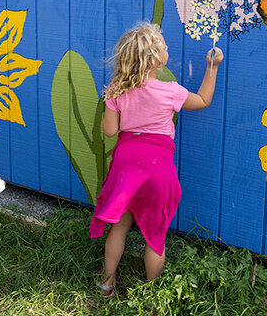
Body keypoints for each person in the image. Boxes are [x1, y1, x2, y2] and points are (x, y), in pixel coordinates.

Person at [90, 22, 223, 296]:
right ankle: (152, 298)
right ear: (154, 60)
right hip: (157, 168)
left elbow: (110, 131)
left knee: (119, 226)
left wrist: (112, 100)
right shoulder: (170, 91)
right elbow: (203, 100)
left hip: (127, 166)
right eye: (163, 46)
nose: (167, 48)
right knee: (155, 236)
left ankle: (107, 282)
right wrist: (213, 67)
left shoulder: (117, 88)